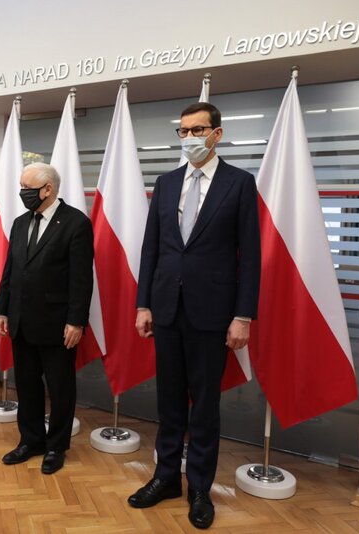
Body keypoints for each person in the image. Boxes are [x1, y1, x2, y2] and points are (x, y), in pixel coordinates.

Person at [129, 102, 261, 529]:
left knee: (204, 405)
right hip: (166, 309)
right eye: (183, 131)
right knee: (168, 401)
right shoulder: (166, 183)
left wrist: (243, 316)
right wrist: (143, 304)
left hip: (213, 313)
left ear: (217, 134)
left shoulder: (240, 183)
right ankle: (166, 477)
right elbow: (151, 248)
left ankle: (200, 488)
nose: (189, 138)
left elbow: (251, 257)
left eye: (198, 130)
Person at [0, 162, 94, 475]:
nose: (22, 192)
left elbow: (81, 278)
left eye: (27, 187)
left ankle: (56, 447)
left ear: (48, 189)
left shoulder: (76, 223)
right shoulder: (20, 222)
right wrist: (2, 309)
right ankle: (31, 440)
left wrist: (76, 321)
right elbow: (11, 270)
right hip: (21, 321)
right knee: (27, 386)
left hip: (57, 324)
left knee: (61, 389)